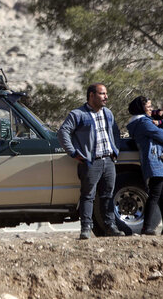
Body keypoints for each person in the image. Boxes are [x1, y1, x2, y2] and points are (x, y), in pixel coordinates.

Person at [57, 83, 125, 240]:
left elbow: (115, 132)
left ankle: (110, 226)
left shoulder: (108, 113)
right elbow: (63, 132)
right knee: (88, 196)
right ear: (91, 95)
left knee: (108, 195)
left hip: (108, 161)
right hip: (90, 163)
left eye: (106, 94)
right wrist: (74, 153)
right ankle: (86, 229)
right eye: (102, 94)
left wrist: (115, 151)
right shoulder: (78, 114)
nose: (106, 97)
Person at [127, 96, 163, 236]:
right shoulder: (143, 122)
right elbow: (159, 134)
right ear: (141, 107)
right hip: (154, 160)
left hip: (160, 160)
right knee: (154, 194)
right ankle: (147, 227)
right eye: (149, 106)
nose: (152, 109)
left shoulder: (142, 121)